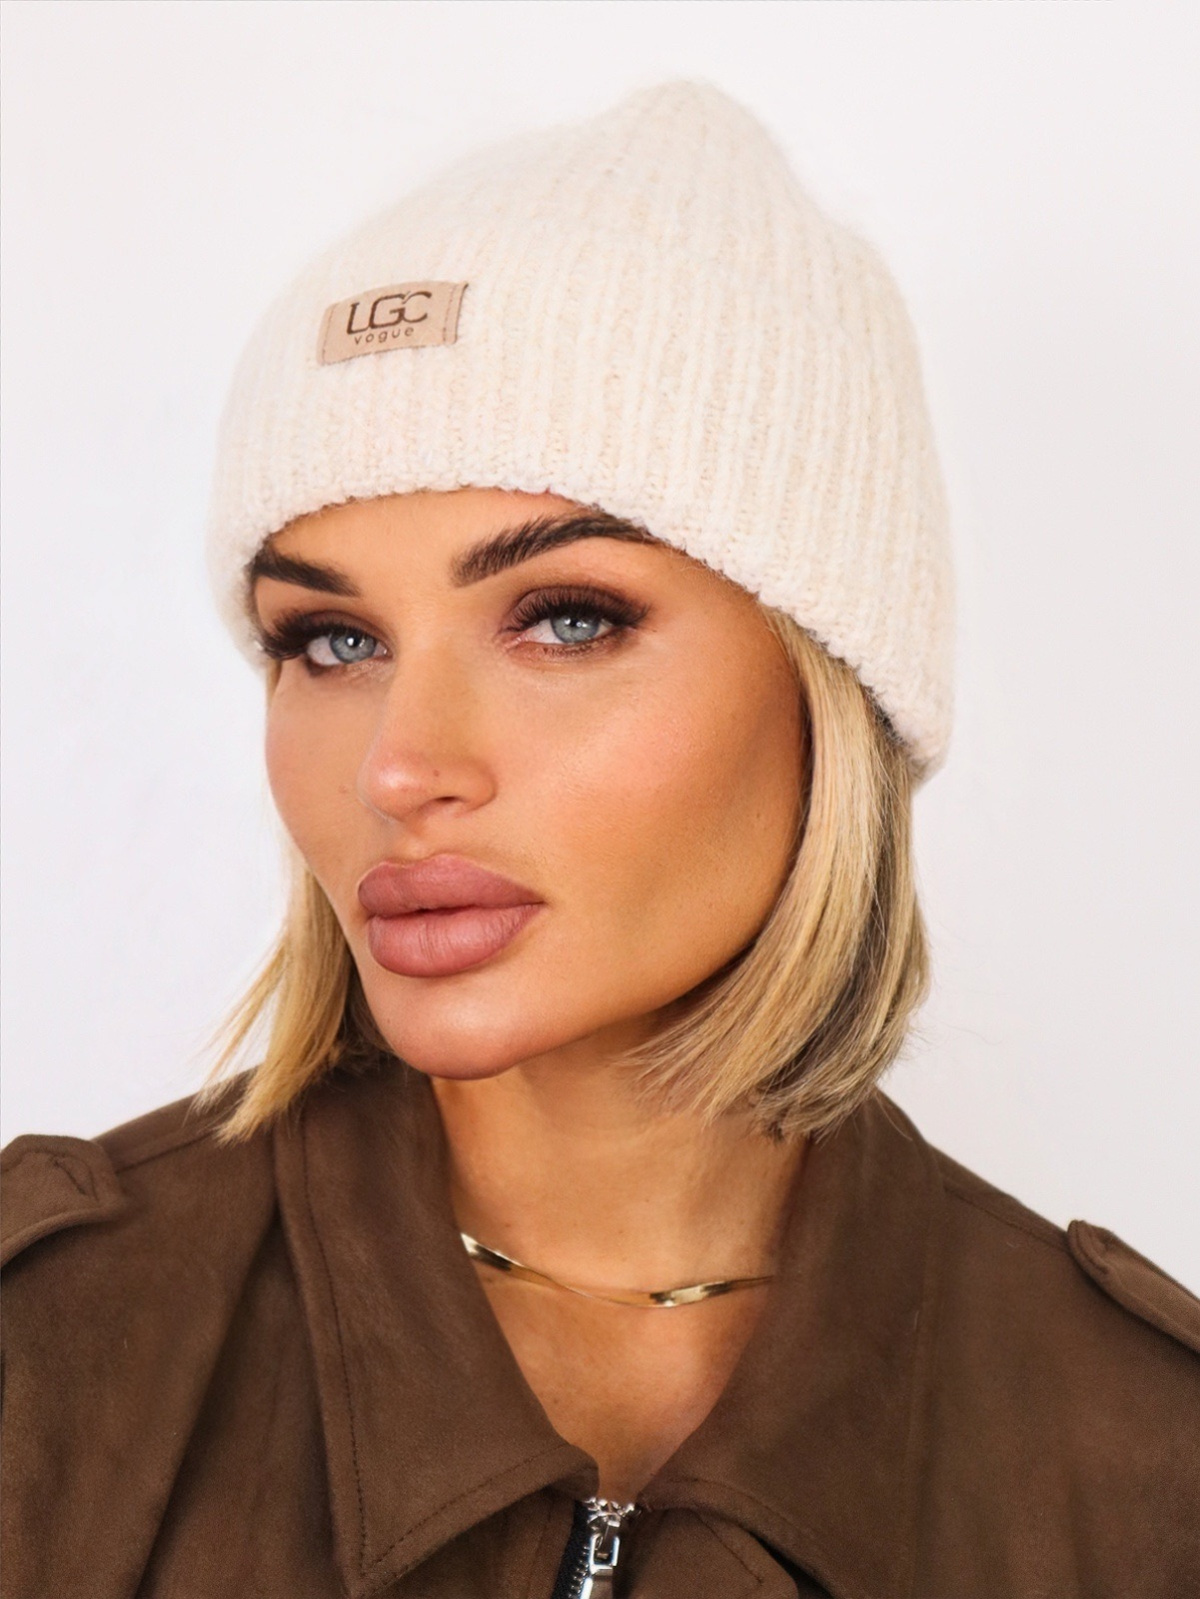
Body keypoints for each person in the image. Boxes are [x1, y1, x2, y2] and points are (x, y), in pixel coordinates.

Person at [2, 81, 1196, 1599]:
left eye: (566, 620)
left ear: (833, 692)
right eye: (331, 641)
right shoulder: (46, 1352)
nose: (400, 767)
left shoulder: (1146, 1463)